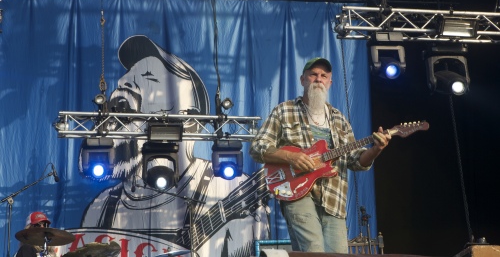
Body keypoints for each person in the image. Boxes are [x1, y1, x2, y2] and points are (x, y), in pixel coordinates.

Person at [78, 35, 268, 257]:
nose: (124, 83)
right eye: (126, 78)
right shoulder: (101, 207)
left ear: (191, 119)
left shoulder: (228, 189)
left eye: (149, 78)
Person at [250, 57, 391, 253]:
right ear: (302, 80)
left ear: (330, 83)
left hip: (334, 200)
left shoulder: (339, 119)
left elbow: (356, 161)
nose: (318, 79)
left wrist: (376, 149)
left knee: (338, 254)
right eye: (313, 74)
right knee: (314, 251)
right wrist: (291, 157)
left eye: (324, 76)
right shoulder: (284, 110)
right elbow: (258, 147)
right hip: (297, 193)